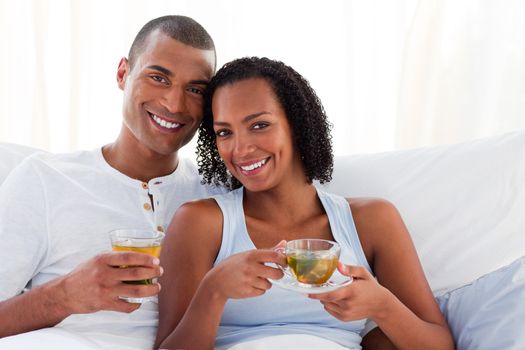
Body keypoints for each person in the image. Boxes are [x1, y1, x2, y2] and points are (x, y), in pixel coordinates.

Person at [155, 57, 454, 349]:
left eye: (259, 125)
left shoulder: (372, 220)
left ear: (296, 125)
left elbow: (439, 344)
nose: (241, 148)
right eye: (224, 132)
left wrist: (382, 305)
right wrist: (214, 290)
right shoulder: (200, 223)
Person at [0, 15, 221, 349]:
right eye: (158, 77)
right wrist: (63, 296)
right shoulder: (45, 179)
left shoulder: (218, 192)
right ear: (123, 74)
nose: (175, 104)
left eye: (194, 89)